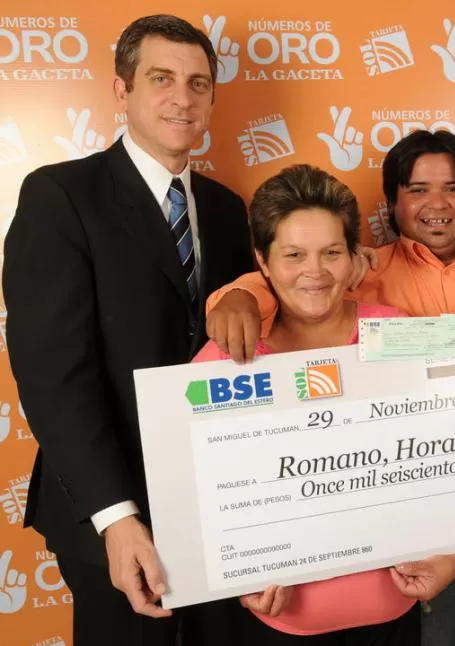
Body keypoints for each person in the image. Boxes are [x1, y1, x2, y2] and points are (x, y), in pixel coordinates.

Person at [204, 129, 455, 646]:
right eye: (416, 190)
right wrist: (237, 294)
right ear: (391, 203)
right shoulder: (363, 270)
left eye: (453, 188)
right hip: (422, 521)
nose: (437, 204)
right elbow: (298, 280)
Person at [2, 15, 255, 645]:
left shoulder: (226, 209)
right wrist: (116, 519)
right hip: (110, 510)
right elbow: (54, 377)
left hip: (216, 503)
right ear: (122, 90)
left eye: (199, 83)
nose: (183, 98)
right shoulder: (61, 195)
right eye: (162, 78)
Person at [194, 163, 455, 645]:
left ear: (353, 256)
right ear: (262, 259)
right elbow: (193, 489)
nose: (315, 273)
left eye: (331, 253)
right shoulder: (227, 356)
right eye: (294, 254)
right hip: (276, 623)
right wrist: (234, 568)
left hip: (390, 615)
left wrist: (452, 553)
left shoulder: (397, 330)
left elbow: (448, 455)